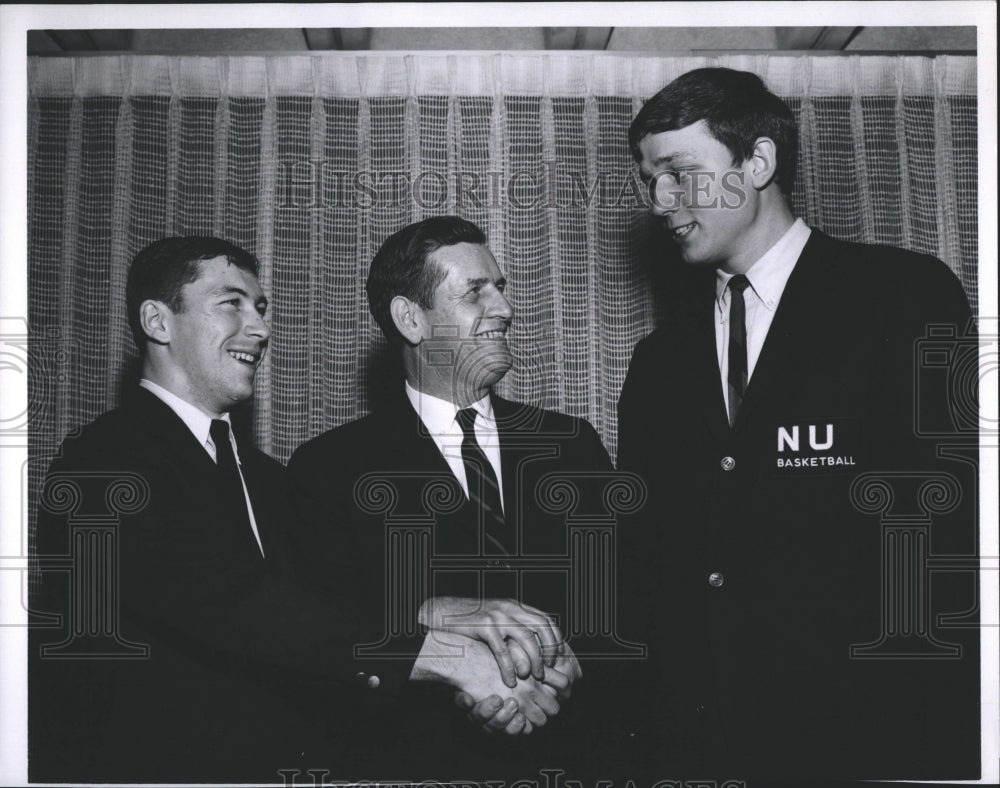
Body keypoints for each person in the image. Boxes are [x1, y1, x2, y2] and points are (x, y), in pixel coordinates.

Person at [28, 236, 549, 784]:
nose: (259, 328)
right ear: (158, 321)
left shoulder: (269, 479)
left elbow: (322, 603)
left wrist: (433, 609)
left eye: (260, 308)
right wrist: (448, 658)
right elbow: (227, 600)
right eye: (231, 303)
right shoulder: (101, 462)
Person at [617, 68, 980, 781]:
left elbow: (950, 524)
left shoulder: (902, 295)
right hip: (707, 741)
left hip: (871, 728)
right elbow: (649, 559)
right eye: (648, 181)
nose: (660, 201)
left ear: (757, 163)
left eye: (680, 174)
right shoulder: (659, 358)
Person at [287, 216, 618, 779]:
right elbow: (323, 622)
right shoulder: (329, 468)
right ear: (411, 319)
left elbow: (626, 591)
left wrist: (565, 666)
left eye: (501, 288)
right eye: (475, 292)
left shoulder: (572, 444)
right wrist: (465, 673)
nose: (505, 309)